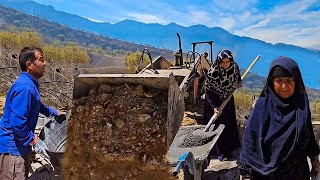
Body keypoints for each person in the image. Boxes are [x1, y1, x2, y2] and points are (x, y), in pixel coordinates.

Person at [239, 56, 320, 179]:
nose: (284, 86)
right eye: (279, 80)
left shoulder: (301, 108)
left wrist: (314, 159)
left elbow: (308, 134)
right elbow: (250, 140)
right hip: (266, 174)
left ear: (296, 81)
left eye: (289, 81)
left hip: (296, 172)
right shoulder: (262, 108)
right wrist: (245, 173)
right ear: (272, 82)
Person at [0, 47, 64, 179]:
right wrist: (31, 139)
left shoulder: (29, 84)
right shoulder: (25, 87)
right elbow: (17, 122)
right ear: (29, 65)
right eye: (41, 59)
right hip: (13, 150)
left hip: (18, 147)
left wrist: (53, 112)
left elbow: (36, 104)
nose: (45, 63)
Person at [204, 49, 242, 160]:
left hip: (228, 97)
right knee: (216, 126)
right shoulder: (213, 72)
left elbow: (238, 76)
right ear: (219, 61)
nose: (225, 64)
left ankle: (231, 149)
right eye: (223, 62)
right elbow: (208, 90)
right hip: (214, 99)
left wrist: (238, 82)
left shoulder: (234, 67)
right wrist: (214, 106)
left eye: (227, 62)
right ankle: (217, 152)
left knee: (229, 123)